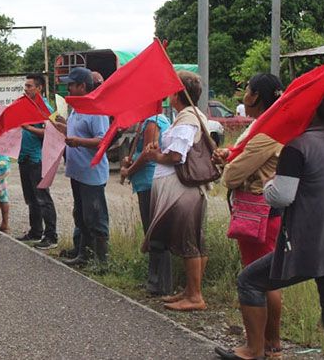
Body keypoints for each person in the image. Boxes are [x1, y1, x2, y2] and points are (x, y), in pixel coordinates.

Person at [215, 88, 324, 360]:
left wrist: (269, 184)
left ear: (314, 111)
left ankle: (254, 350)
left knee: (250, 280)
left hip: (308, 244)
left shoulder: (299, 146)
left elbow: (281, 197)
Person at [213, 73, 284, 358]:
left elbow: (233, 175)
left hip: (259, 212)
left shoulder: (266, 131)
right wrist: (230, 155)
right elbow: (242, 158)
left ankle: (265, 345)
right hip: (267, 211)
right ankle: (268, 344)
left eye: (247, 90)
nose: (244, 95)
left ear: (255, 97)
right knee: (265, 275)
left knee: (259, 277)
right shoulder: (266, 125)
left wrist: (229, 165)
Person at [141, 71, 209, 311]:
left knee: (189, 242)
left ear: (178, 93)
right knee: (190, 241)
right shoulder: (189, 116)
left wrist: (154, 155)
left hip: (183, 189)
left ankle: (195, 296)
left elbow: (176, 156)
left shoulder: (187, 118)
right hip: (183, 188)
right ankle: (190, 291)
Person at [55, 67, 110, 266]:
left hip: (92, 174)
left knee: (95, 217)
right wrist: (59, 126)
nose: (67, 87)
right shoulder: (77, 108)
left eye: (71, 84)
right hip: (78, 172)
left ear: (82, 86)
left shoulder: (96, 110)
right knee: (81, 215)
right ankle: (83, 255)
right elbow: (73, 131)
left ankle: (102, 262)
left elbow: (103, 140)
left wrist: (78, 141)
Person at [120, 112, 171, 295]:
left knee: (155, 233)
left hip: (151, 182)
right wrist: (130, 161)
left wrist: (129, 170)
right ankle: (155, 279)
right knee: (151, 232)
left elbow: (148, 153)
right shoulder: (146, 122)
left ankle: (159, 283)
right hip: (145, 182)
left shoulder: (152, 122)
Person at [15, 73, 58, 249]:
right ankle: (35, 231)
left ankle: (51, 236)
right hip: (24, 158)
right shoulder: (25, 107)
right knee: (31, 198)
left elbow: (52, 133)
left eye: (29, 86)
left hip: (37, 159)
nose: (26, 89)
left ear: (39, 88)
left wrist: (29, 128)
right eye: (25, 86)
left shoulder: (45, 108)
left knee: (43, 198)